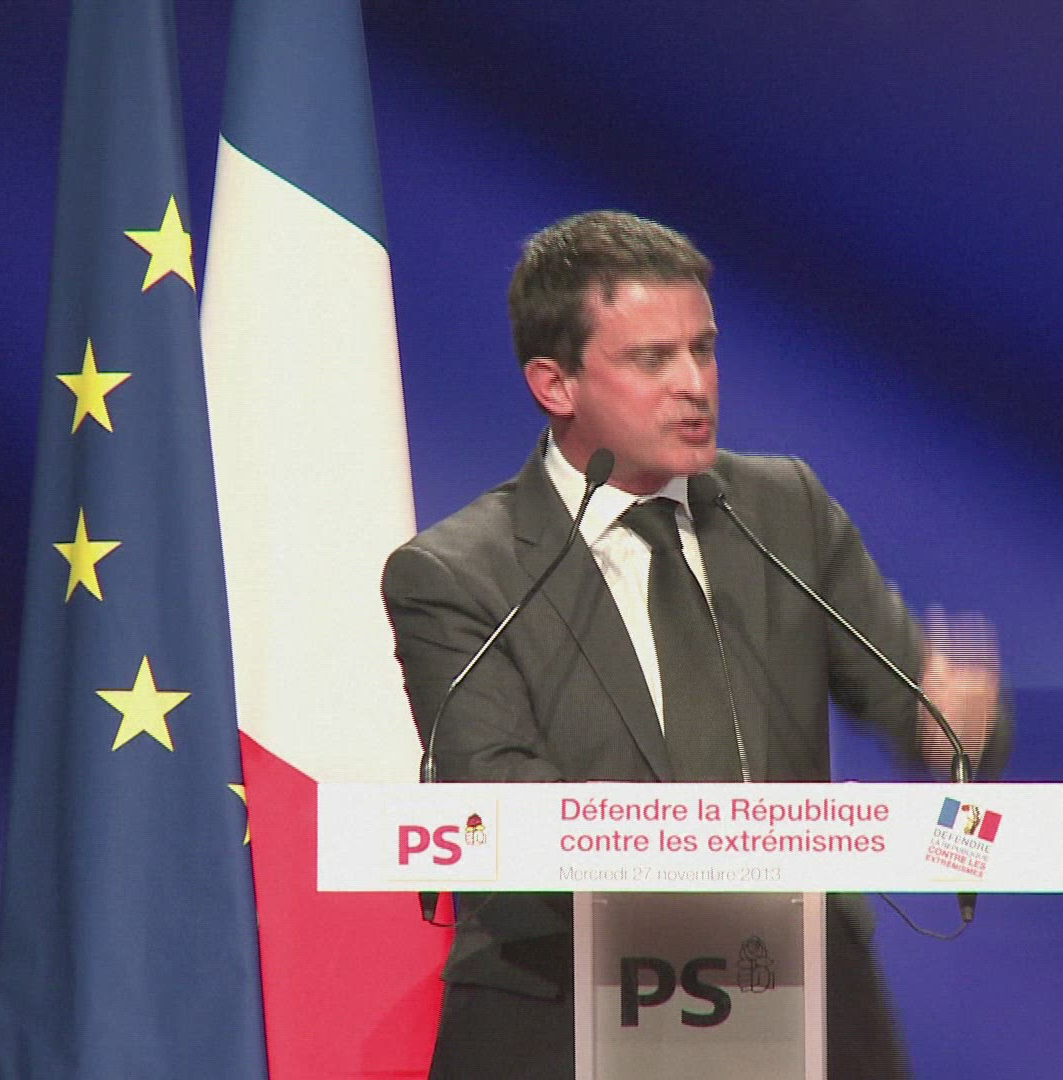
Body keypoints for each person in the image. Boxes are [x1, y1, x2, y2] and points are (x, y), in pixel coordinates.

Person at [382, 210, 1006, 1079]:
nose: (695, 384)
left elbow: (919, 704)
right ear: (555, 384)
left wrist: (953, 727)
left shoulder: (783, 510)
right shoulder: (455, 573)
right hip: (566, 1014)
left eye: (703, 349)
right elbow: (504, 804)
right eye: (652, 359)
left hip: (798, 1001)